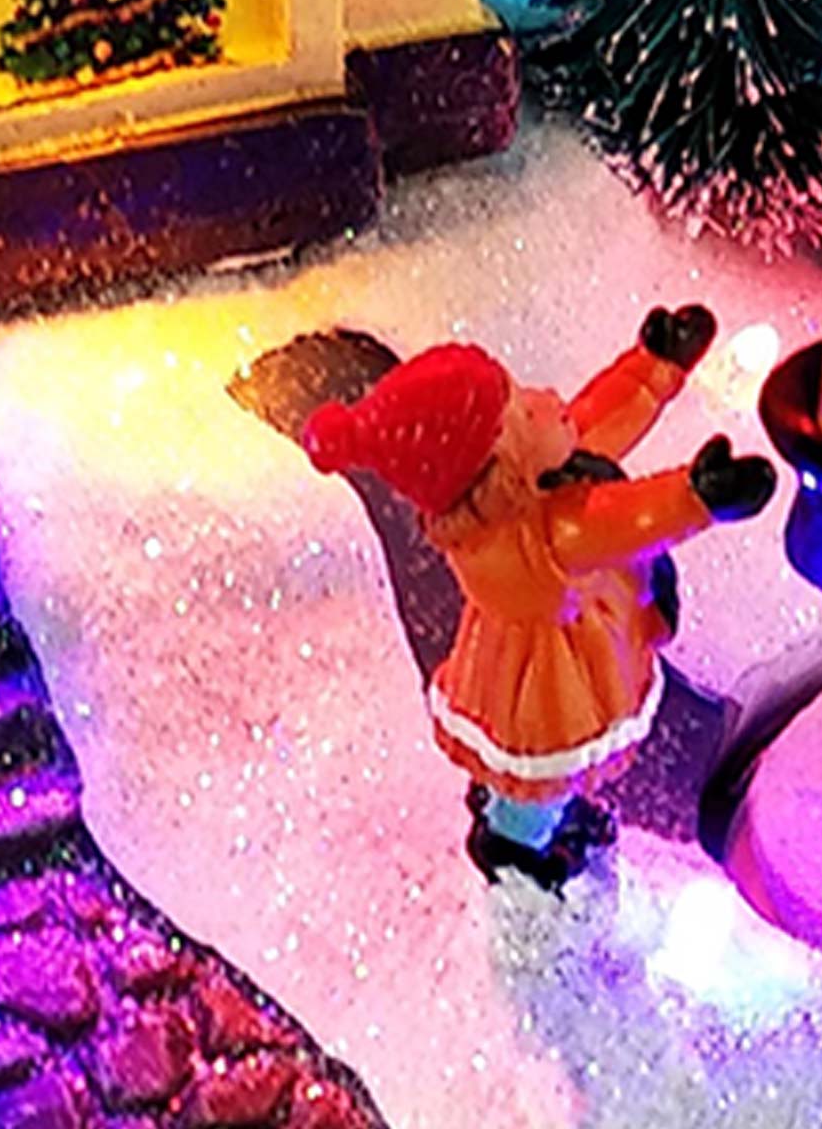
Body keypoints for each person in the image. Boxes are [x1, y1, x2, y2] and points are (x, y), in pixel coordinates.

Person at [302, 307, 776, 889]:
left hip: (550, 645)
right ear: (500, 475)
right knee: (538, 778)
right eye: (523, 409)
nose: (545, 398)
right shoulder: (548, 536)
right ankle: (516, 850)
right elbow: (628, 521)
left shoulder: (526, 485)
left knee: (533, 776)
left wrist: (654, 368)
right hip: (552, 688)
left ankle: (522, 811)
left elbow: (594, 420)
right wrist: (697, 498)